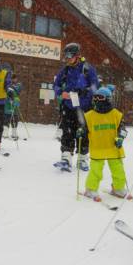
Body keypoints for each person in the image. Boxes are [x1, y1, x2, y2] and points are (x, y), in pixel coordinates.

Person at [53, 42, 99, 171]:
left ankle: (83, 158)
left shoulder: (87, 69)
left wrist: (84, 91)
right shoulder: (65, 70)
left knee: (83, 133)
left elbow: (95, 87)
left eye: (69, 56)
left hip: (84, 107)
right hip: (69, 106)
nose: (67, 59)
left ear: (77, 56)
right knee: (67, 132)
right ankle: (66, 157)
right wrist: (61, 93)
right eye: (65, 56)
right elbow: (56, 85)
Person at [79, 87, 130, 201]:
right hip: (98, 148)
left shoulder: (116, 114)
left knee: (118, 169)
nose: (97, 100)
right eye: (95, 97)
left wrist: (120, 138)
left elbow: (122, 129)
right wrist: (81, 132)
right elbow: (84, 129)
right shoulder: (89, 115)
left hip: (113, 147)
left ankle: (118, 188)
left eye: (100, 97)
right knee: (96, 170)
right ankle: (90, 189)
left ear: (108, 99)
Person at [3, 73, 22, 140]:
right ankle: (5, 133)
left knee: (15, 118)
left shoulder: (18, 86)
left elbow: (18, 94)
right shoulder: (7, 86)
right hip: (8, 104)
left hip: (15, 103)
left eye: (15, 78)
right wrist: (9, 99)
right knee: (7, 118)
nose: (14, 80)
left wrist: (17, 101)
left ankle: (14, 133)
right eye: (13, 78)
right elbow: (6, 93)